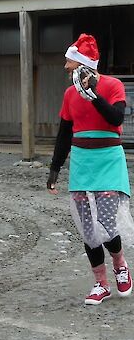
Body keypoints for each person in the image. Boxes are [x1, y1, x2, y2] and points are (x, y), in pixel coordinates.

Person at [47, 33, 133, 305]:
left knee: (106, 223)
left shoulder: (113, 85)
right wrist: (55, 168)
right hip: (82, 162)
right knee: (88, 228)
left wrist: (93, 95)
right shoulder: (69, 94)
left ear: (83, 64)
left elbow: (116, 117)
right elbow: (64, 133)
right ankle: (101, 283)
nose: (65, 68)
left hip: (108, 160)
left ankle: (119, 263)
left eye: (69, 62)